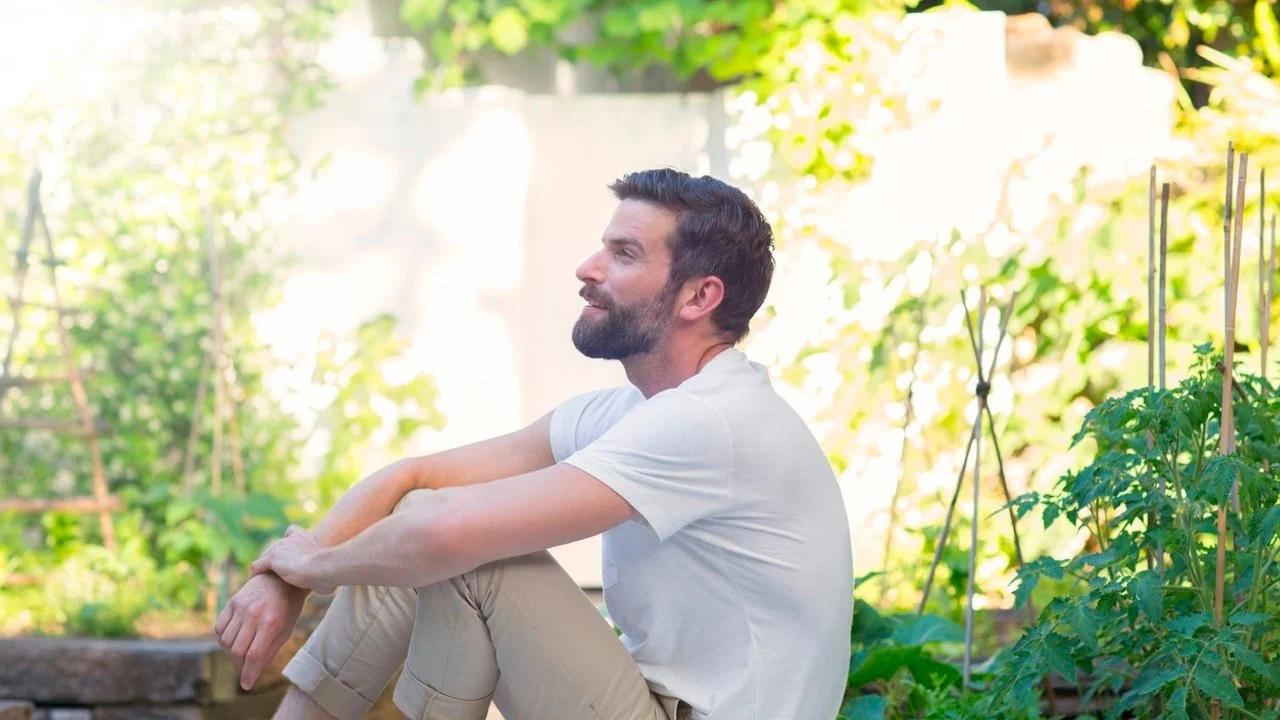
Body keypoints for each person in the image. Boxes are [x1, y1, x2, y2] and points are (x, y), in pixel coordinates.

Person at [215, 168, 854, 720]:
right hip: (650, 701)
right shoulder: (635, 412)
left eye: (624, 254)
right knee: (430, 524)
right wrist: (286, 578)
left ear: (698, 296)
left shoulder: (709, 422)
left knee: (466, 551)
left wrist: (313, 568)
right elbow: (415, 478)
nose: (588, 268)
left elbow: (445, 532)